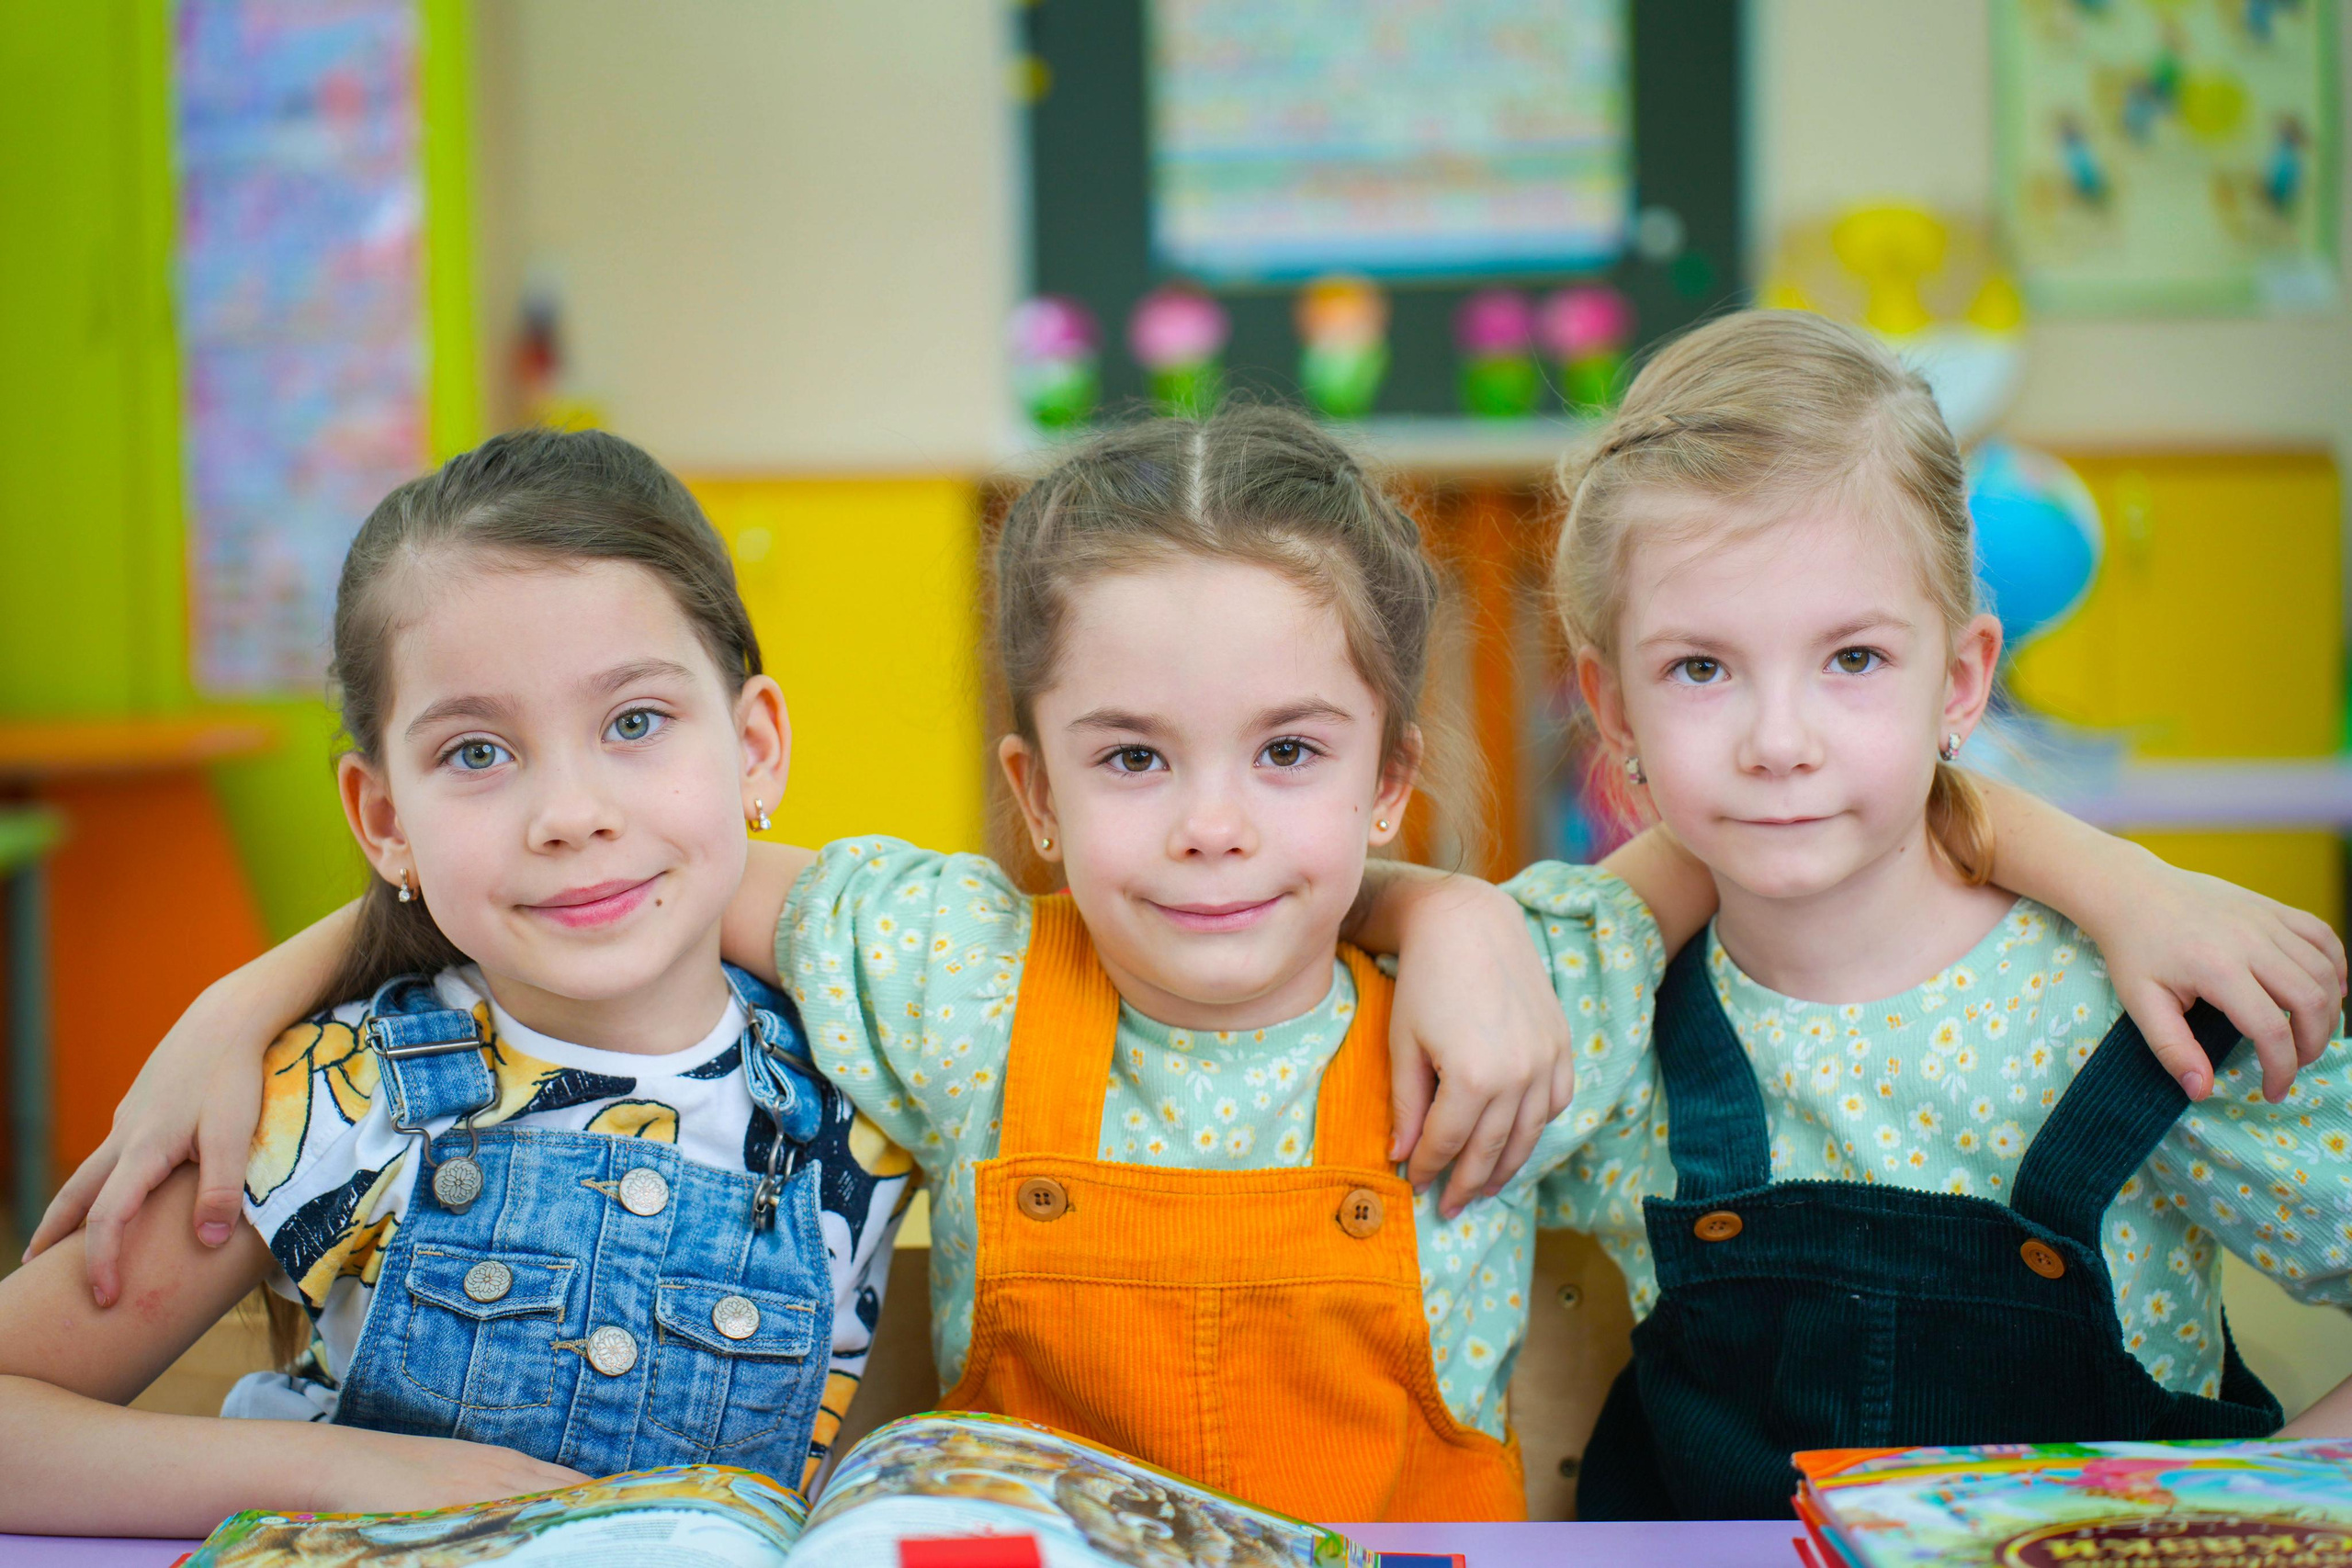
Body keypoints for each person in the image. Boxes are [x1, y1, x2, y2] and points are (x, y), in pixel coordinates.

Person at [36, 407, 2345, 1525]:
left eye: (1287, 756)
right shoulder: (937, 968)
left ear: (1392, 781)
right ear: (1027, 792)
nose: (1215, 821)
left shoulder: (1527, 999)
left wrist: (2073, 851)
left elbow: (1790, 819)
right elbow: (588, 868)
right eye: (1132, 756)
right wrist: (232, 1004)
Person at [0, 429, 922, 1534]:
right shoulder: (331, 1097)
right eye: (477, 753)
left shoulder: (879, 1065)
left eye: (635, 722)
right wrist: (349, 1475)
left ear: (756, 746)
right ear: (384, 819)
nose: (570, 814)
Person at [1532, 310, 2352, 1520]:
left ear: (1959, 681)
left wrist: (2252, 1504)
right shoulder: (1594, 1001)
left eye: (1852, 658)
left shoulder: (2138, 1002)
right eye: (1700, 667)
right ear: (1613, 708)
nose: (1778, 742)